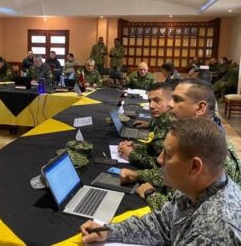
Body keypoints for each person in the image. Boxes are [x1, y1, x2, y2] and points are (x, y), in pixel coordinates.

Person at [81, 119, 241, 245]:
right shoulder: (195, 188)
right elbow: (161, 224)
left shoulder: (213, 229)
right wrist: (109, 231)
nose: (159, 159)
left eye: (168, 155)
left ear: (194, 167)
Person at [120, 79, 241, 210]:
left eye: (177, 100)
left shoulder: (216, 154)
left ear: (200, 108)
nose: (170, 105)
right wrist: (138, 175)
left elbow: (190, 214)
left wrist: (150, 194)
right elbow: (173, 171)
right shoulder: (192, 137)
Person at [118, 83, 173, 169]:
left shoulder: (172, 124)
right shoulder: (161, 118)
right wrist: (135, 147)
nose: (151, 106)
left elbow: (163, 167)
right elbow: (156, 150)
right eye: (149, 101)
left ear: (171, 101)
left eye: (157, 100)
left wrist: (130, 155)